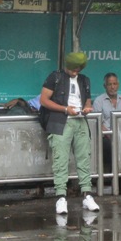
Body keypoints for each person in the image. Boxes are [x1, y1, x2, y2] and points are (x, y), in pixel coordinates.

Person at [40, 52, 100, 215]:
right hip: (60, 121)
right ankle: (60, 197)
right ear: (66, 66)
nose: (75, 72)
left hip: (80, 120)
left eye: (78, 69)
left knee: (84, 158)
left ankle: (87, 195)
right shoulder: (55, 77)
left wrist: (87, 107)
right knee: (60, 160)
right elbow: (43, 100)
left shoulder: (84, 79)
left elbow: (87, 99)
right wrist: (65, 109)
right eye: (73, 69)